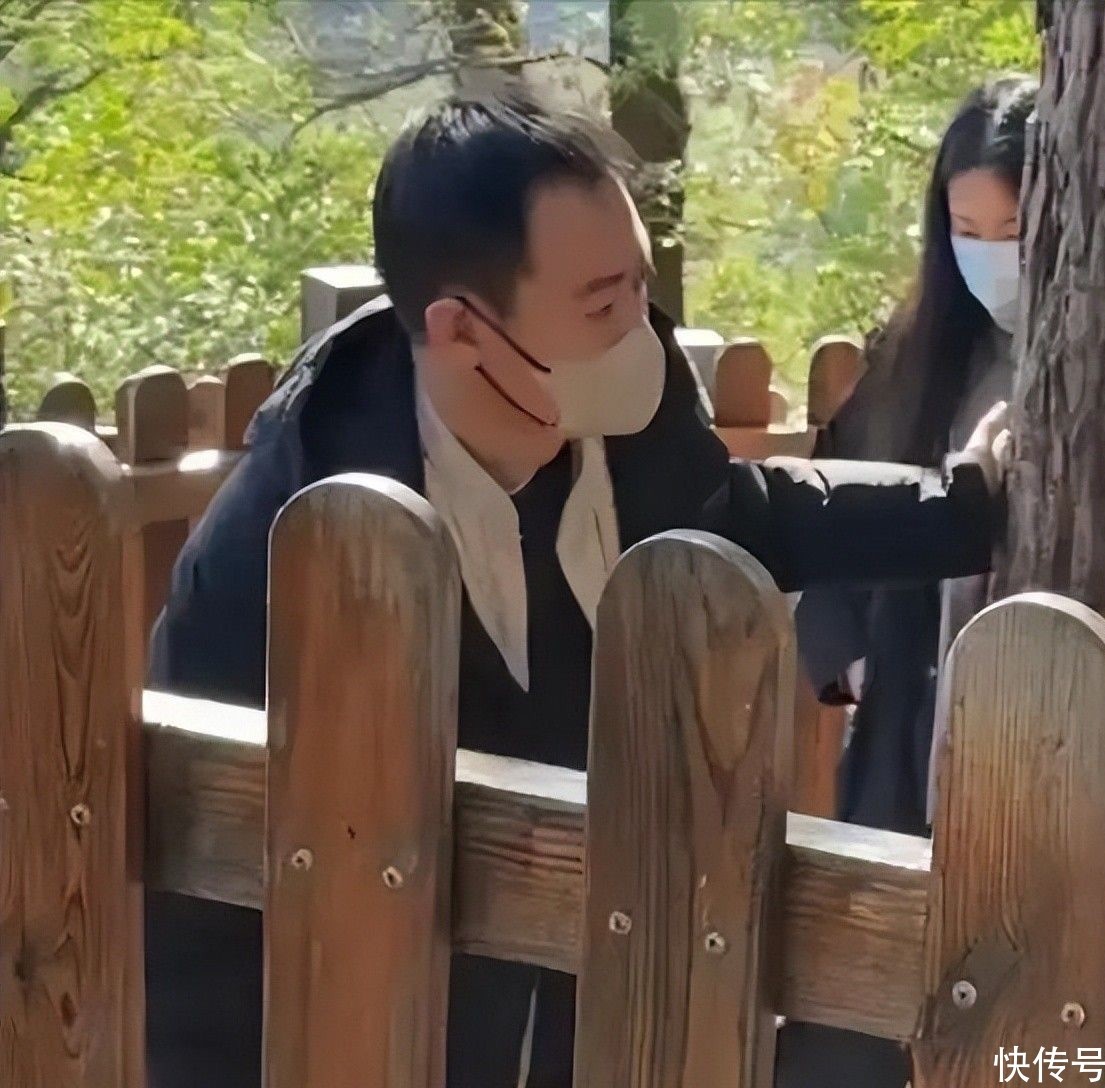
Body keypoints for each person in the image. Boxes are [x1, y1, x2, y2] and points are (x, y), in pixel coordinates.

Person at [145, 94, 1010, 1088]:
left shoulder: (628, 417)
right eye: (602, 304)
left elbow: (741, 514)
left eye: (640, 283)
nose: (639, 327)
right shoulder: (280, 550)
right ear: (462, 330)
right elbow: (199, 891)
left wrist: (965, 504)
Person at [776, 76, 1037, 1088]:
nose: (989, 255)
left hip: (1038, 740)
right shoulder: (917, 354)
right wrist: (843, 649)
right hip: (905, 737)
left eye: (1011, 229)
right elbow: (828, 515)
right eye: (967, 230)